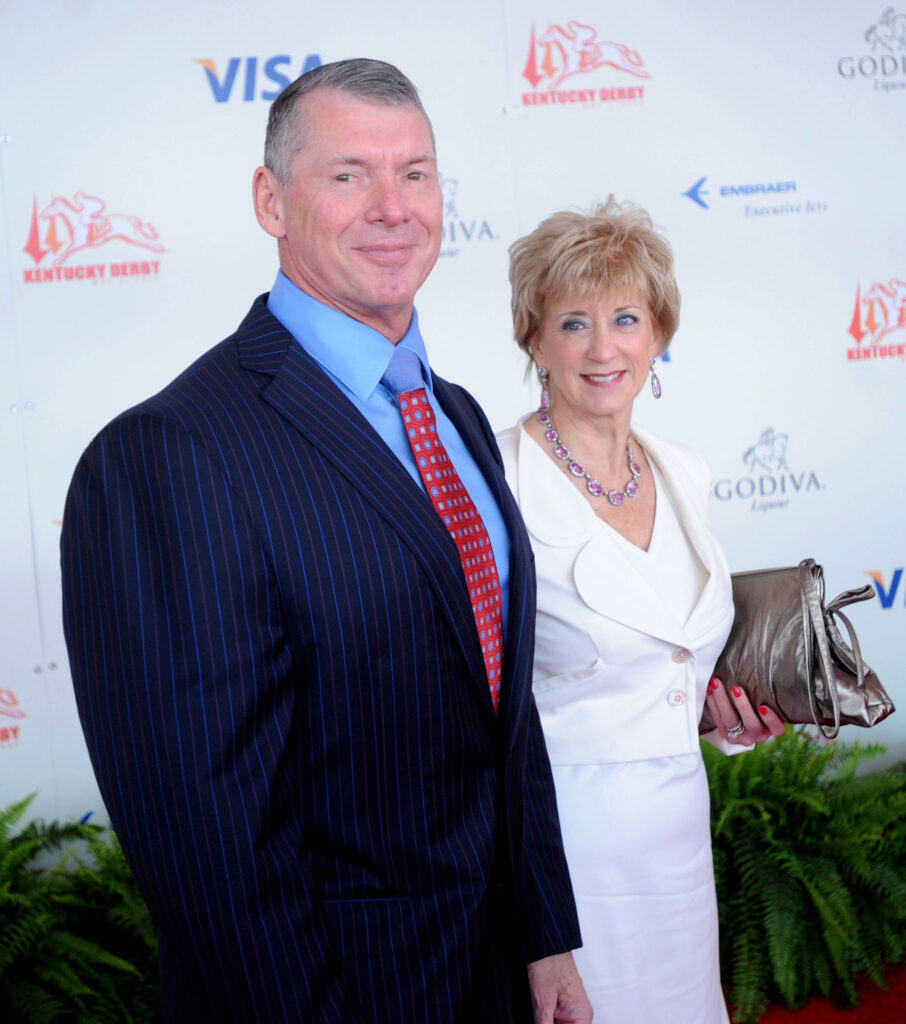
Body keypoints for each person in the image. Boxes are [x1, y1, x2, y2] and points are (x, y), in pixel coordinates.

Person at [61, 59, 592, 1024]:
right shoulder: (167, 454)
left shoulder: (460, 417)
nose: (393, 208)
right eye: (349, 175)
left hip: (500, 976)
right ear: (271, 200)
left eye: (417, 173)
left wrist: (547, 933)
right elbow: (207, 843)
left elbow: (497, 718)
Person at [496, 197, 785, 1023]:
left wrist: (732, 717)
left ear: (658, 333)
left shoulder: (684, 471)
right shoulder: (497, 481)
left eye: (625, 317)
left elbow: (670, 669)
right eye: (573, 323)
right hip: (566, 859)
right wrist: (533, 927)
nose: (603, 347)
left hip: (678, 846)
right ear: (533, 340)